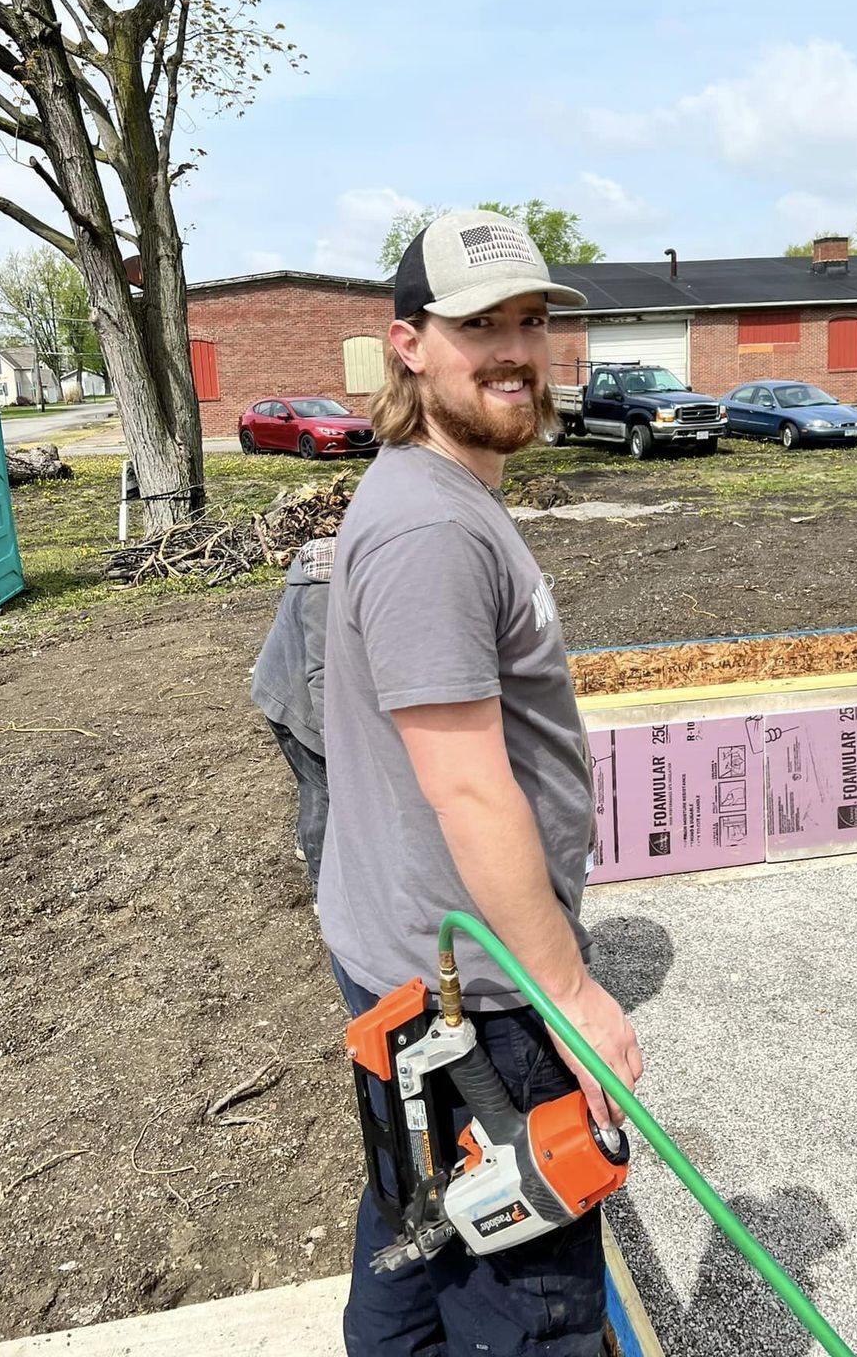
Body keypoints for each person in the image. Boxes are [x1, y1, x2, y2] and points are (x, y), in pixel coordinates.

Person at [319, 209, 643, 1356]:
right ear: (410, 343)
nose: (514, 348)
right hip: (480, 1001)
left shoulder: (437, 497)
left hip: (417, 973)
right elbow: (468, 788)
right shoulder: (430, 532)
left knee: (419, 1232)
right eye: (478, 326)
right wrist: (573, 998)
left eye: (531, 319)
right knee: (535, 1303)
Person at [251, 535, 335, 908]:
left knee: (311, 783)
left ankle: (305, 843)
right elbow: (323, 674)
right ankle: (324, 892)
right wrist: (336, 741)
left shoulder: (331, 567)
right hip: (294, 701)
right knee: (323, 787)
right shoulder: (326, 589)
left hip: (280, 687)